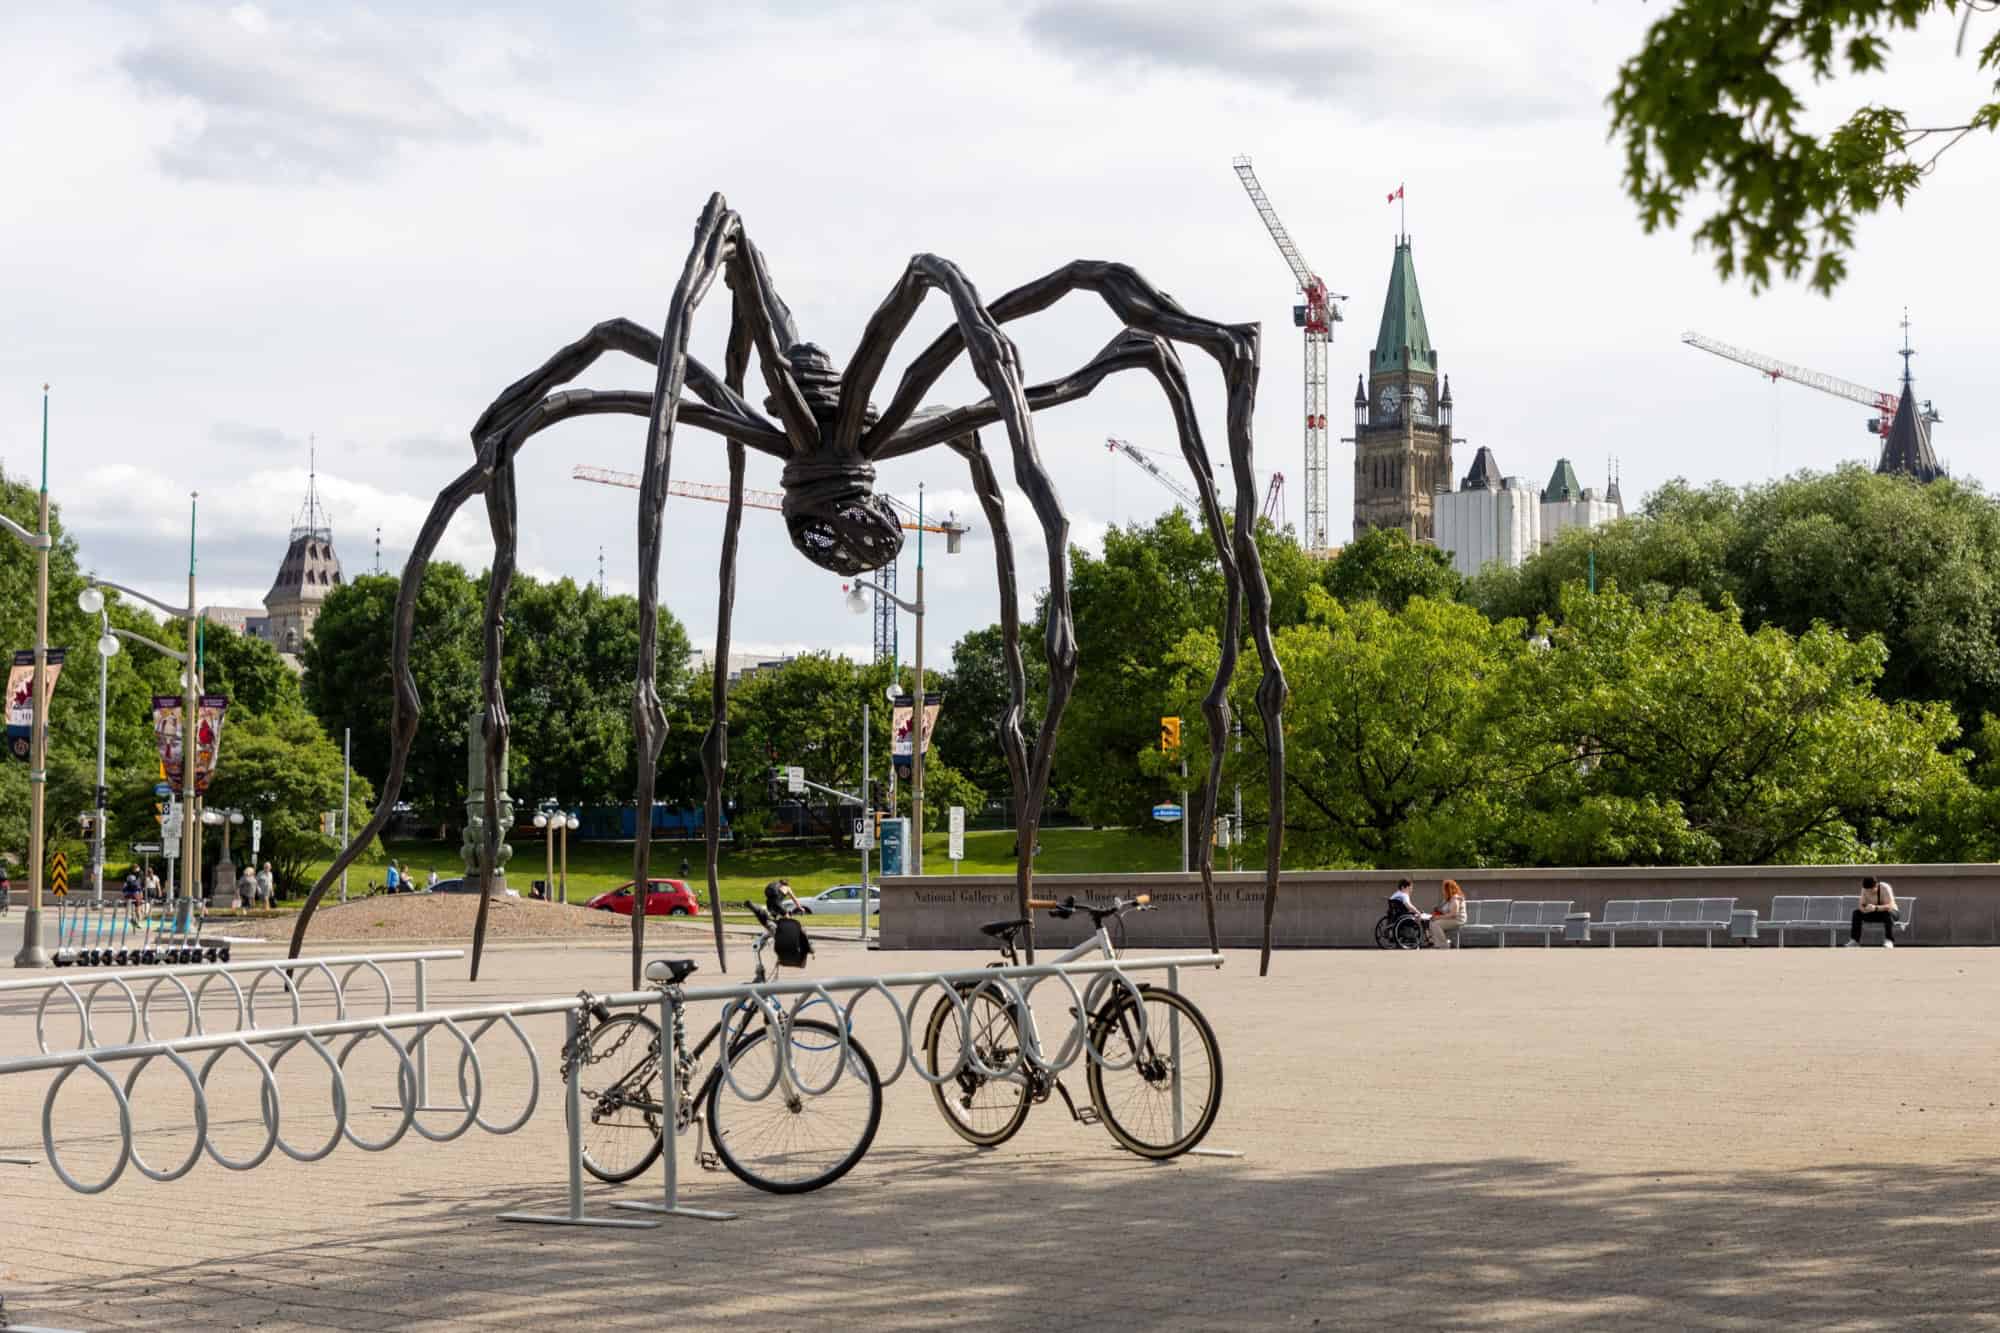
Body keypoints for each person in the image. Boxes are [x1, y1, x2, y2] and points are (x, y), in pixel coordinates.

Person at [1848, 875, 1899, 948]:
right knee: (1856, 913)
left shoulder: (1885, 887)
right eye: (1867, 890)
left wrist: (1876, 908)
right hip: (1875, 913)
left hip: (1892, 913)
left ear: (1876, 885)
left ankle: (1889, 940)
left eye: (1871, 890)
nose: (1869, 892)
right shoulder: (1864, 889)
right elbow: (1861, 905)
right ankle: (1855, 940)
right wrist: (1865, 909)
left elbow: (1890, 906)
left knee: (1887, 914)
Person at [1428, 879, 1467, 949]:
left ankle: (1444, 945)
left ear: (1449, 890)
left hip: (1457, 920)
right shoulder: (1449, 898)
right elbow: (1446, 910)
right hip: (1451, 918)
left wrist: (1438, 917)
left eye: (1444, 890)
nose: (1443, 892)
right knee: (1432, 922)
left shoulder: (1455, 898)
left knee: (1436, 924)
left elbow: (1453, 914)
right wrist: (1438, 911)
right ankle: (1437, 944)